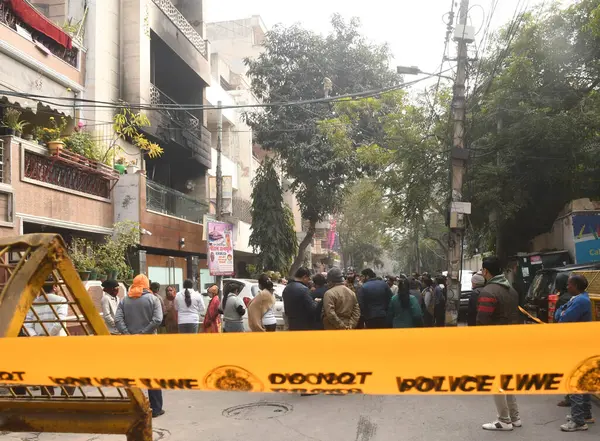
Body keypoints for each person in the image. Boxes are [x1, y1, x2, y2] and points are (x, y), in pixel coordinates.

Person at [477, 257, 521, 431]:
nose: (481, 273)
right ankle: (515, 417)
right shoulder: (511, 290)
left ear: (486, 271)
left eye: (482, 270)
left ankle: (504, 420)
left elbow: (482, 322)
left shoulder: (488, 292)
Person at [114, 274, 164, 418]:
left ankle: (135, 405)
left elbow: (118, 319)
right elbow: (157, 319)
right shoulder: (153, 299)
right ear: (146, 285)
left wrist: (128, 334)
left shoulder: (125, 300)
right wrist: (143, 333)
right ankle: (155, 408)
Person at [556, 274, 594, 432]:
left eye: (569, 285)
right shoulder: (580, 298)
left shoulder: (579, 301)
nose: (566, 287)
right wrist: (562, 310)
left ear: (576, 286)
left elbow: (562, 318)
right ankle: (585, 414)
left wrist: (562, 311)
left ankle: (578, 421)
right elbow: (560, 313)